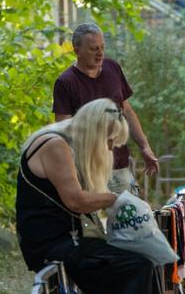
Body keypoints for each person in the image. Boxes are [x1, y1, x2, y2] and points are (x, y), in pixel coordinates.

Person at [17, 100, 169, 294]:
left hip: (69, 239)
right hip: (51, 245)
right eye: (108, 141)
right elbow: (76, 201)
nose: (109, 147)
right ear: (94, 132)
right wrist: (116, 199)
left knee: (143, 262)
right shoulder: (55, 145)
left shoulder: (65, 141)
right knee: (135, 267)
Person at [52, 23, 160, 195]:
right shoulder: (66, 82)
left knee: (130, 218)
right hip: (87, 171)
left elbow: (127, 110)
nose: (100, 53)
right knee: (91, 222)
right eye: (94, 49)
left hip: (119, 168)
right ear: (77, 51)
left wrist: (144, 147)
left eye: (102, 47)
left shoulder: (113, 68)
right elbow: (63, 131)